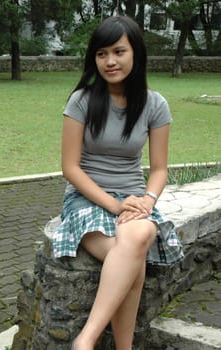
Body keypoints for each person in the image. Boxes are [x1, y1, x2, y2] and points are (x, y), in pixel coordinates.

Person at [52, 16, 184, 350]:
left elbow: (158, 170)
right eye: (101, 54)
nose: (110, 61)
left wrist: (147, 201)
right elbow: (70, 168)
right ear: (93, 59)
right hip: (87, 198)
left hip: (134, 199)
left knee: (138, 235)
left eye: (118, 51)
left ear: (135, 53)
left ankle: (86, 340)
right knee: (132, 256)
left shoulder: (155, 104)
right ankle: (100, 344)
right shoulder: (81, 100)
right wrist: (114, 205)